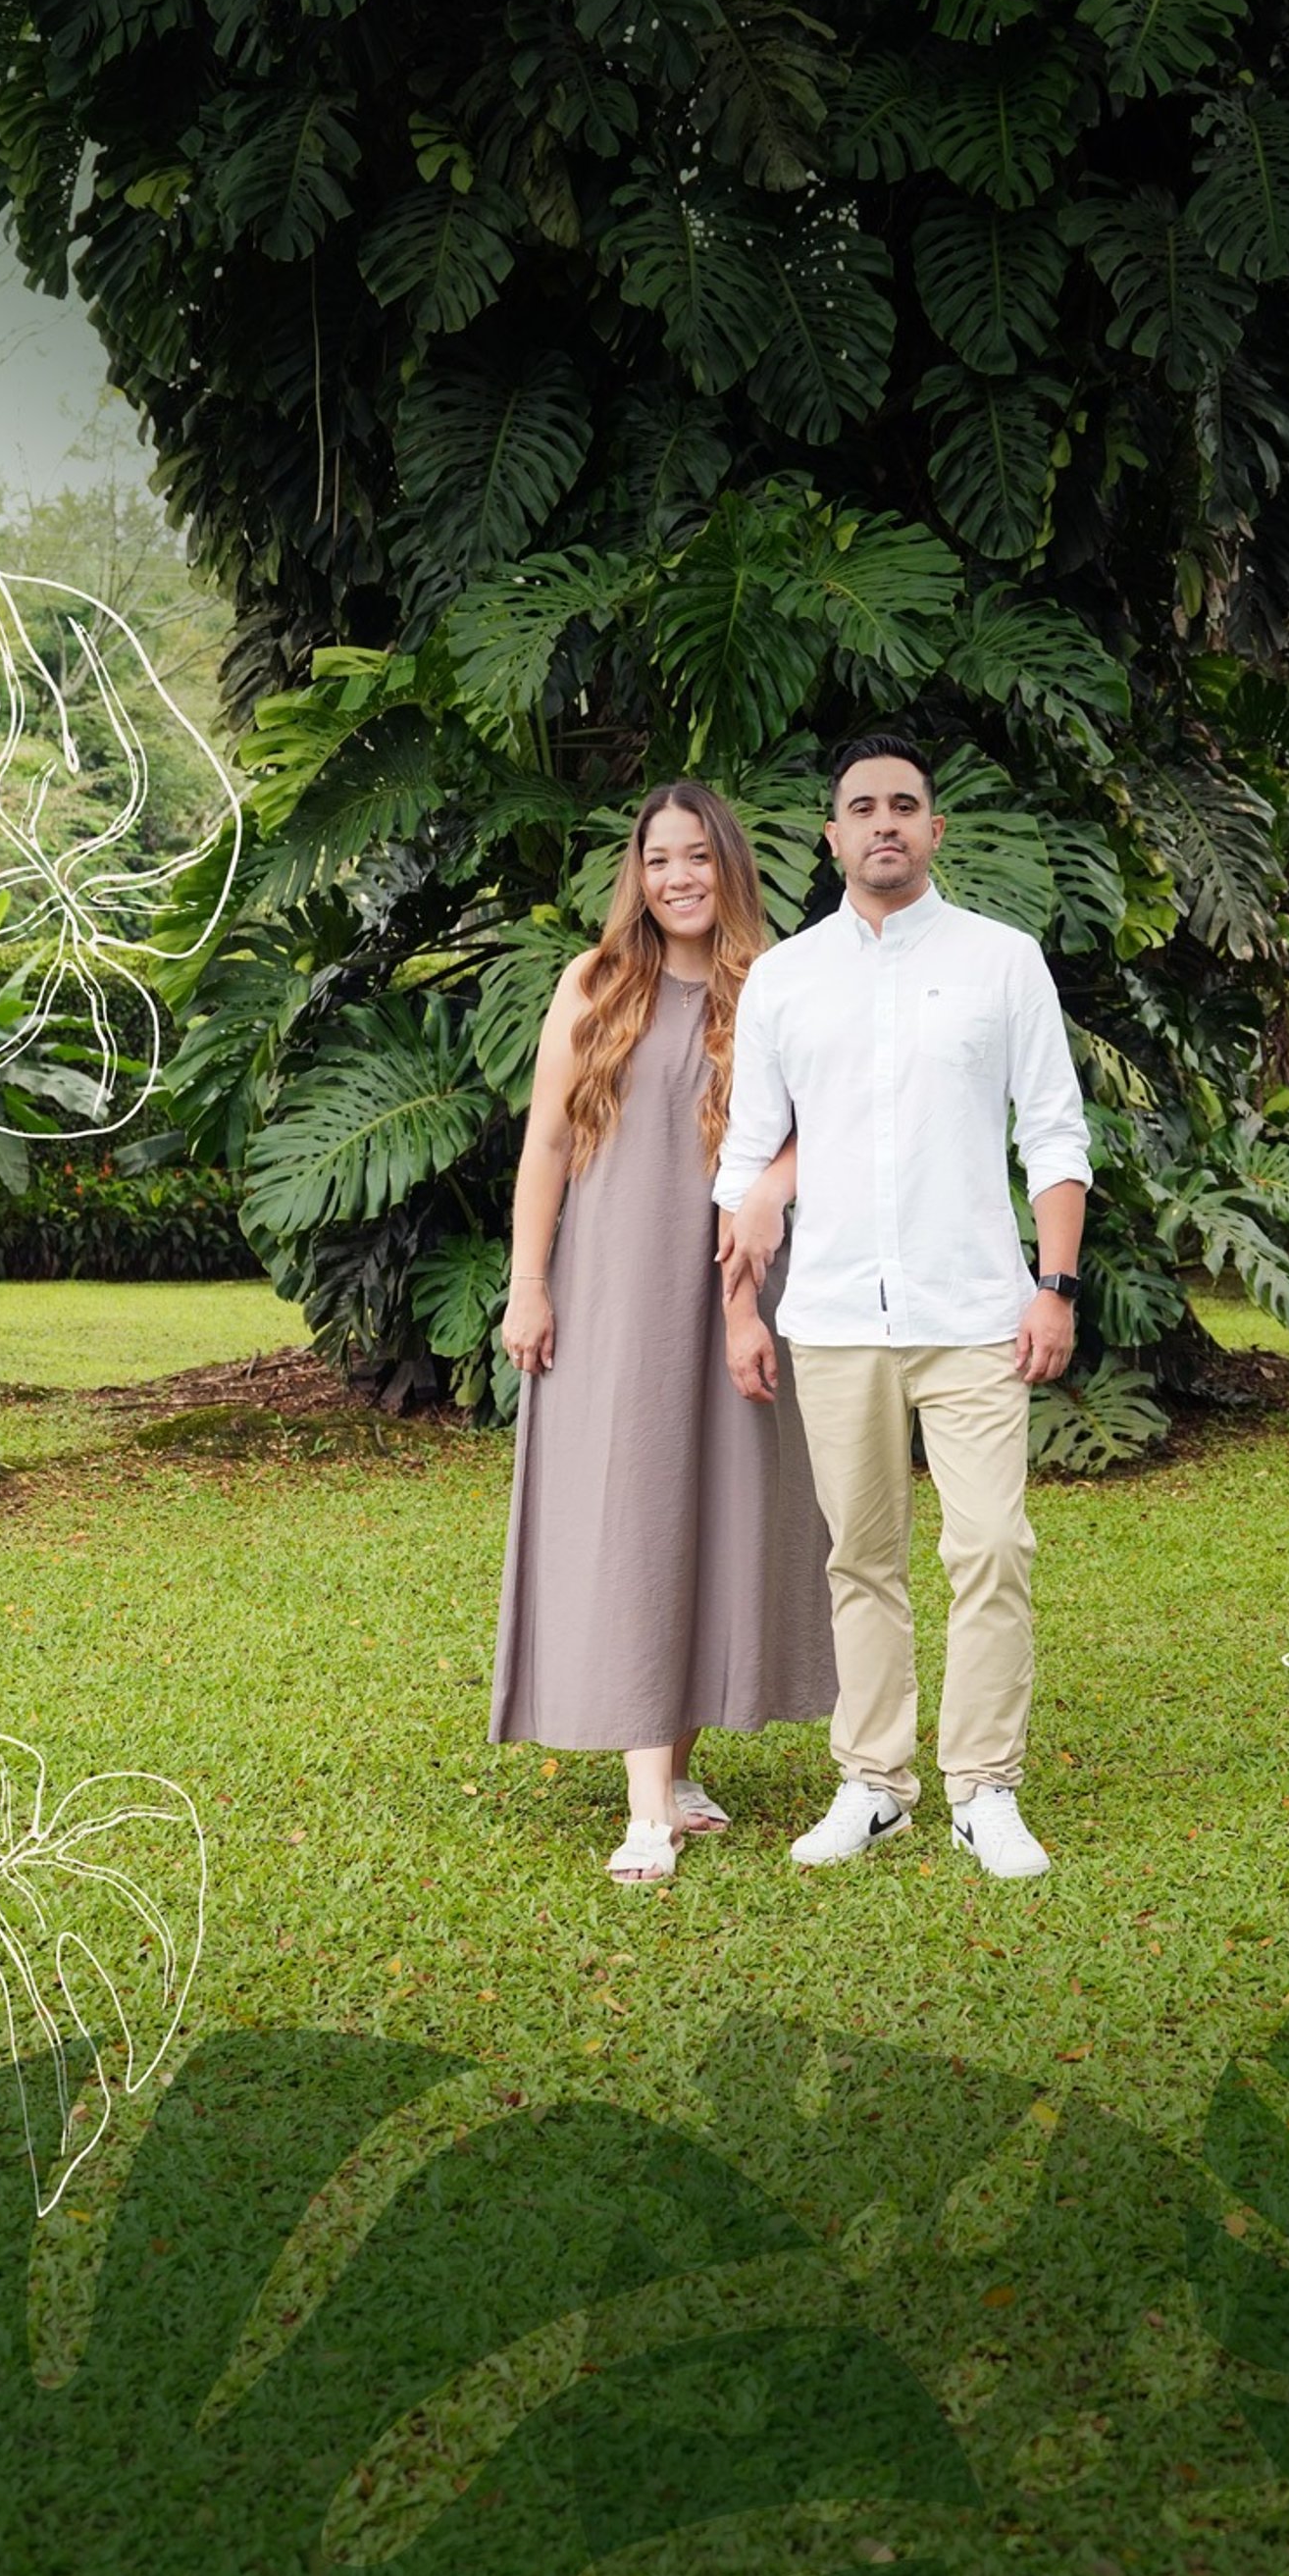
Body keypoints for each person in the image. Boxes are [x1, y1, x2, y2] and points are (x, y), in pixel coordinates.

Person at [713, 734, 1091, 1880]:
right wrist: (740, 1312)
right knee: (861, 1559)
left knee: (991, 1549)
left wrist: (1055, 1286)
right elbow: (748, 1158)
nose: (884, 822)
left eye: (905, 806)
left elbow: (1056, 1132)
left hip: (978, 1311)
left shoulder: (1003, 961)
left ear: (934, 831)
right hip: (831, 1318)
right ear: (831, 836)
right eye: (862, 807)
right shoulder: (787, 979)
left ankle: (985, 1788)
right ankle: (874, 1785)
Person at [490, 781, 836, 1883]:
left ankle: (676, 1766)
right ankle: (646, 1810)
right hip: (612, 1285)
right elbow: (546, 1144)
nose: (678, 877)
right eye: (657, 860)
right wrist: (527, 1285)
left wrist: (769, 1196)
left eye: (697, 857)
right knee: (635, 1514)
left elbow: (824, 1130)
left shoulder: (777, 988)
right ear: (636, 877)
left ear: (729, 866)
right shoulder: (594, 983)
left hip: (736, 1285)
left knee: (720, 1512)